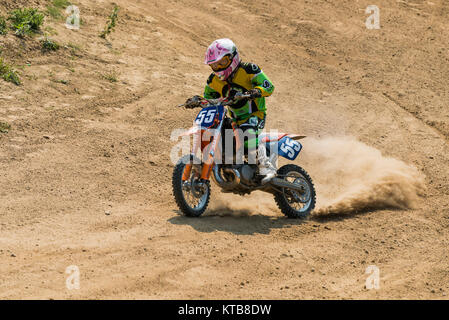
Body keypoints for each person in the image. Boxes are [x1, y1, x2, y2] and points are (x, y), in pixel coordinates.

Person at [185, 38, 276, 184]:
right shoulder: (213, 81)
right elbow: (210, 100)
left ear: (233, 57)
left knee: (247, 134)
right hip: (234, 119)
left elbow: (269, 86)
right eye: (214, 65)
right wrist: (198, 100)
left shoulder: (249, 70)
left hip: (254, 114)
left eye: (222, 62)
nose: (219, 67)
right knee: (220, 136)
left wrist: (255, 91)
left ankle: (266, 167)